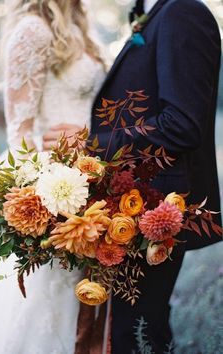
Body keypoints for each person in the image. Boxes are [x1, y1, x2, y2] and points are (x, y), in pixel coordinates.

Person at [43, 0, 222, 353]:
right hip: (132, 205)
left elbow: (182, 126)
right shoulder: (156, 13)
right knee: (135, 329)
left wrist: (90, 143)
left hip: (158, 209)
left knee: (135, 333)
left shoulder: (183, 12)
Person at [0, 0, 106, 353]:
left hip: (90, 177)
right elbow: (19, 130)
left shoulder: (81, 26)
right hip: (55, 183)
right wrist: (45, 188)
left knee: (87, 300)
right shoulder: (32, 30)